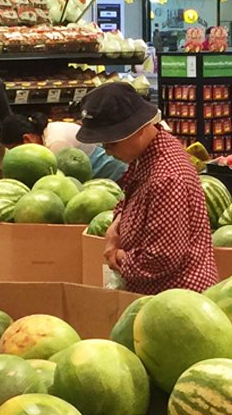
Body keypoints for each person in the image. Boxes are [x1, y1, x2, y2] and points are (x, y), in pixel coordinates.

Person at [76, 81, 214, 294]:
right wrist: (116, 228)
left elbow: (161, 258)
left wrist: (119, 258)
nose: (107, 151)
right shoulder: (148, 154)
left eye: (112, 143)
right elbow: (132, 196)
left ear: (138, 129)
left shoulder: (167, 179)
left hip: (175, 297)